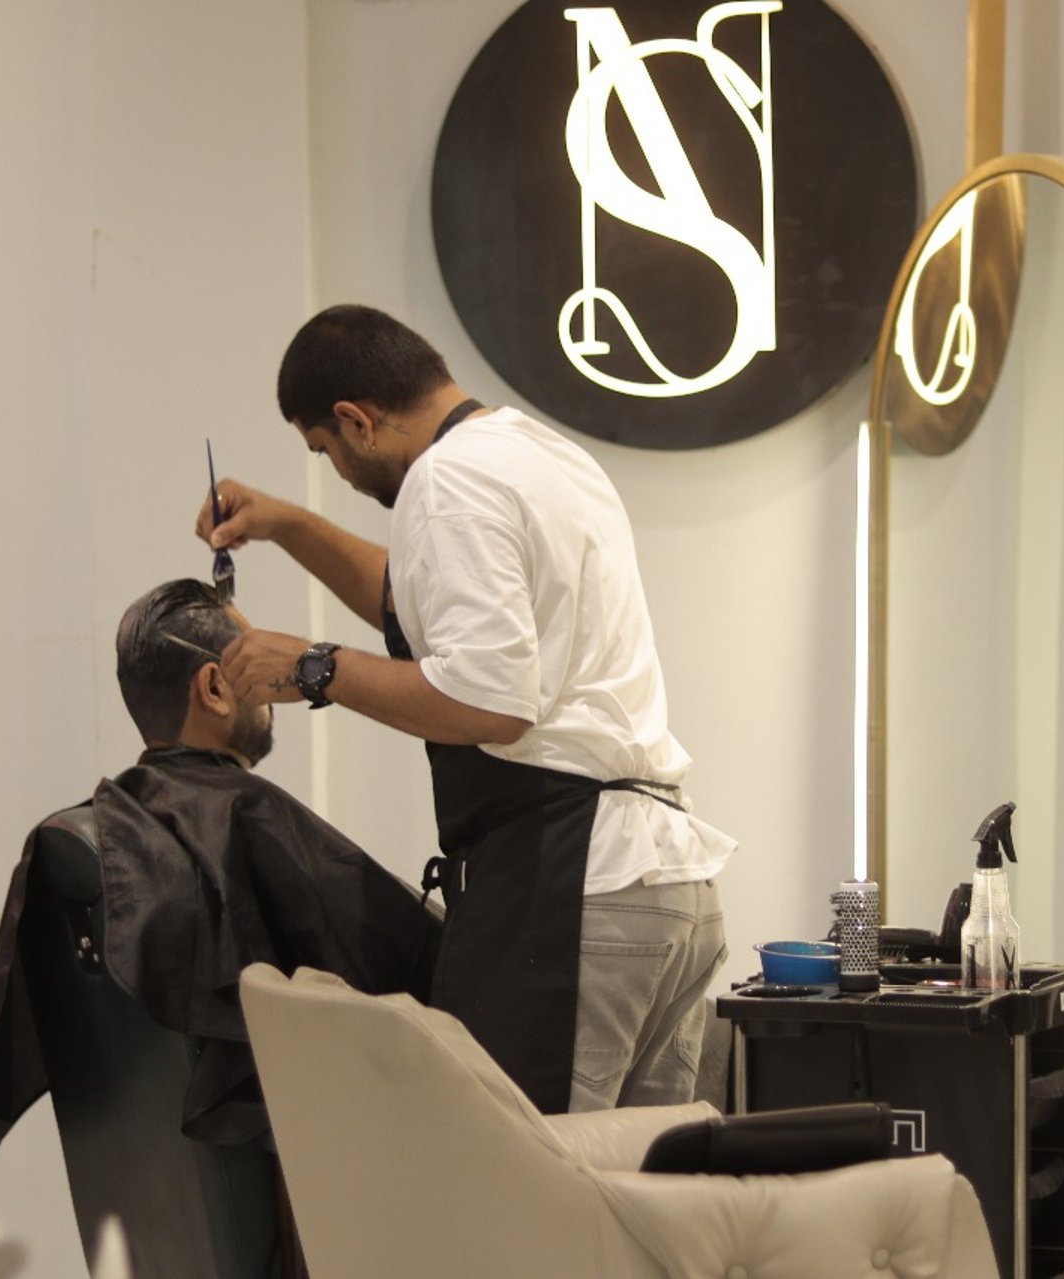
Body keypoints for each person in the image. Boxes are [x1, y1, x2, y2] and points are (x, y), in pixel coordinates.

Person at [196, 304, 735, 1115]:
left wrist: (314, 668)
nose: (337, 474)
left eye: (325, 452)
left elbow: (491, 701)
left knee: (534, 1201)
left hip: (574, 890)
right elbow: (414, 595)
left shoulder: (446, 483)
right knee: (643, 1204)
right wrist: (286, 525)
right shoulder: (538, 455)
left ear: (356, 420)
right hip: (666, 886)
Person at [0, 578, 440, 1170]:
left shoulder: (114, 832)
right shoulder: (245, 815)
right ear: (214, 687)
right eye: (257, 665)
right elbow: (419, 964)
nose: (270, 690)